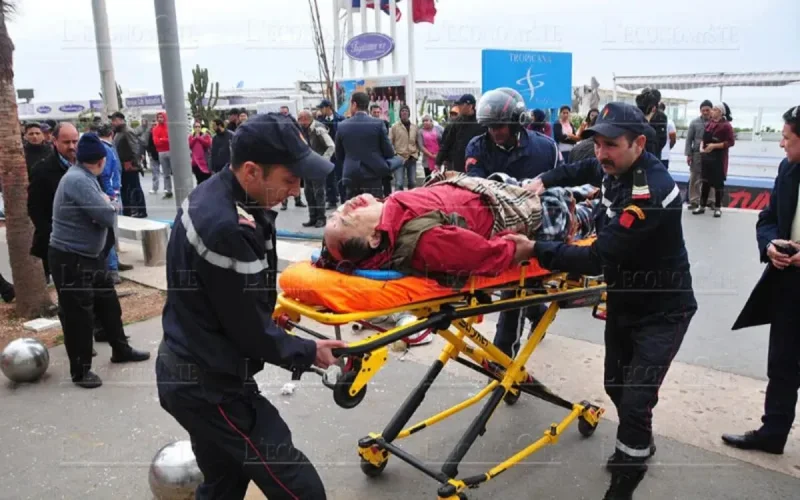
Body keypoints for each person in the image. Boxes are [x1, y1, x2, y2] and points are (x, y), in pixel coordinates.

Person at [156, 112, 347, 499]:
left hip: (191, 365)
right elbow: (251, 333)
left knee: (224, 482)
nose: (296, 189)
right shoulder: (226, 227)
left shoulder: (221, 194)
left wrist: (267, 312)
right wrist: (310, 351)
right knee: (299, 487)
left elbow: (231, 300)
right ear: (251, 171)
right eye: (289, 179)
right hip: (210, 387)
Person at [520, 102, 696, 499]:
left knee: (635, 400)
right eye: (597, 144)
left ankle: (624, 481)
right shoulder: (614, 165)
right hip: (624, 301)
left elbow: (599, 257)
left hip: (663, 311)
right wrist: (544, 180)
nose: (601, 153)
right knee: (616, 385)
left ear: (639, 143)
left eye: (610, 145)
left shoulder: (651, 194)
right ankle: (640, 440)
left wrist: (534, 249)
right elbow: (582, 168)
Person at [320, 171, 595, 280]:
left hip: (496, 190)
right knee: (577, 208)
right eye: (346, 219)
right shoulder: (423, 242)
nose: (347, 206)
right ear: (374, 238)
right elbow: (483, 255)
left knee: (561, 187)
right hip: (527, 213)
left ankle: (589, 193)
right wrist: (522, 249)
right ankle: (594, 206)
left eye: (337, 211)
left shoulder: (391, 212)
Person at [723, 105, 800, 455]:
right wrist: (769, 246)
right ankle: (773, 434)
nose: (781, 144)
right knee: (782, 362)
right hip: (789, 281)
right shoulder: (787, 169)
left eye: (786, 138)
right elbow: (767, 218)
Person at [464, 87, 563, 360]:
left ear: (517, 123)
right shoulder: (477, 147)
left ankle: (502, 360)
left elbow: (559, 188)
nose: (494, 132)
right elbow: (475, 187)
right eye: (490, 126)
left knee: (513, 293)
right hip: (495, 226)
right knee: (518, 287)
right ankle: (538, 312)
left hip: (534, 229)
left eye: (500, 126)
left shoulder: (545, 149)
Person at [48, 133, 150, 388]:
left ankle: (120, 348)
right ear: (102, 161)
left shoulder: (85, 176)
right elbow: (106, 216)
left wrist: (106, 204)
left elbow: (102, 210)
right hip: (71, 257)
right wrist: (112, 203)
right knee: (79, 315)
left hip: (91, 256)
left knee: (108, 303)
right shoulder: (78, 180)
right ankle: (80, 371)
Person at [28, 122, 80, 284]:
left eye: (75, 141)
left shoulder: (85, 165)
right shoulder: (42, 170)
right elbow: (35, 209)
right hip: (59, 244)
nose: (71, 146)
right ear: (55, 141)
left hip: (86, 244)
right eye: (66, 142)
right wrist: (54, 237)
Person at [334, 91, 397, 200]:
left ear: (354, 104)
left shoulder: (342, 126)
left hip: (351, 175)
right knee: (373, 206)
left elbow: (339, 155)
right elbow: (389, 152)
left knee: (353, 207)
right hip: (373, 174)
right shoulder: (378, 124)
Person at [692, 102, 735, 217]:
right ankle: (702, 205)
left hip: (719, 158)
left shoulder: (726, 126)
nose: (712, 111)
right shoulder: (709, 124)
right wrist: (702, 148)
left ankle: (717, 207)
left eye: (715, 109)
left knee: (718, 184)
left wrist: (714, 146)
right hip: (707, 157)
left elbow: (731, 142)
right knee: (705, 182)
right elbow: (704, 139)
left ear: (720, 112)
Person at [297, 109, 335, 228]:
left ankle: (321, 218)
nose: (298, 121)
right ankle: (312, 217)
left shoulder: (319, 129)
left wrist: (323, 160)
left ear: (306, 119)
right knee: (308, 193)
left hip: (317, 166)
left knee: (319, 193)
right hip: (307, 165)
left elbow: (331, 146)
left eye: (300, 119)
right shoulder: (303, 129)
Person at [435, 94, 485, 172]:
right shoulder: (457, 122)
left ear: (470, 106)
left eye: (461, 105)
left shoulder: (481, 122)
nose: (458, 107)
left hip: (477, 164)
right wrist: (438, 162)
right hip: (458, 164)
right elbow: (447, 142)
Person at [684, 100, 714, 210]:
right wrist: (689, 155)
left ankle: (711, 201)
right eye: (703, 110)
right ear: (700, 111)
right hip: (697, 154)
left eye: (707, 110)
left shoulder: (715, 123)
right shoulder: (694, 123)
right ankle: (694, 200)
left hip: (712, 154)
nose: (705, 112)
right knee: (695, 177)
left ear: (711, 110)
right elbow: (689, 140)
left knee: (711, 177)